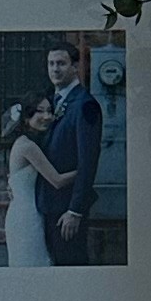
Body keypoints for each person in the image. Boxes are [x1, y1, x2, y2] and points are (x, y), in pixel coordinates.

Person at [37, 39, 104, 262]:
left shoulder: (85, 105)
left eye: (61, 63)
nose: (55, 69)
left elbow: (88, 160)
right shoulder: (52, 101)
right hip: (48, 204)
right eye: (51, 64)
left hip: (67, 210)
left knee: (71, 264)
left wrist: (75, 211)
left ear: (75, 67)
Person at [3, 95, 68, 269]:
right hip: (26, 217)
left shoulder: (27, 143)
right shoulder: (27, 146)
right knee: (32, 265)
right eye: (40, 111)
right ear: (26, 117)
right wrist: (85, 171)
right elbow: (57, 180)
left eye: (49, 111)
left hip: (26, 212)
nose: (47, 116)